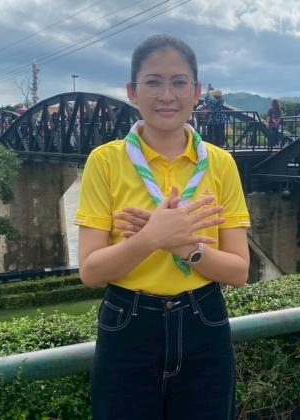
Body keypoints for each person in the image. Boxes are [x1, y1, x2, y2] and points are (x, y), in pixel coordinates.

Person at [75, 34, 250, 420]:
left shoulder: (221, 164)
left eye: (179, 82)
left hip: (204, 320)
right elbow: (90, 271)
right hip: (128, 323)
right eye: (153, 82)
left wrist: (186, 246)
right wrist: (152, 237)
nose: (167, 95)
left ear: (196, 92)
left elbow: (239, 271)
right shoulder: (105, 162)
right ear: (132, 91)